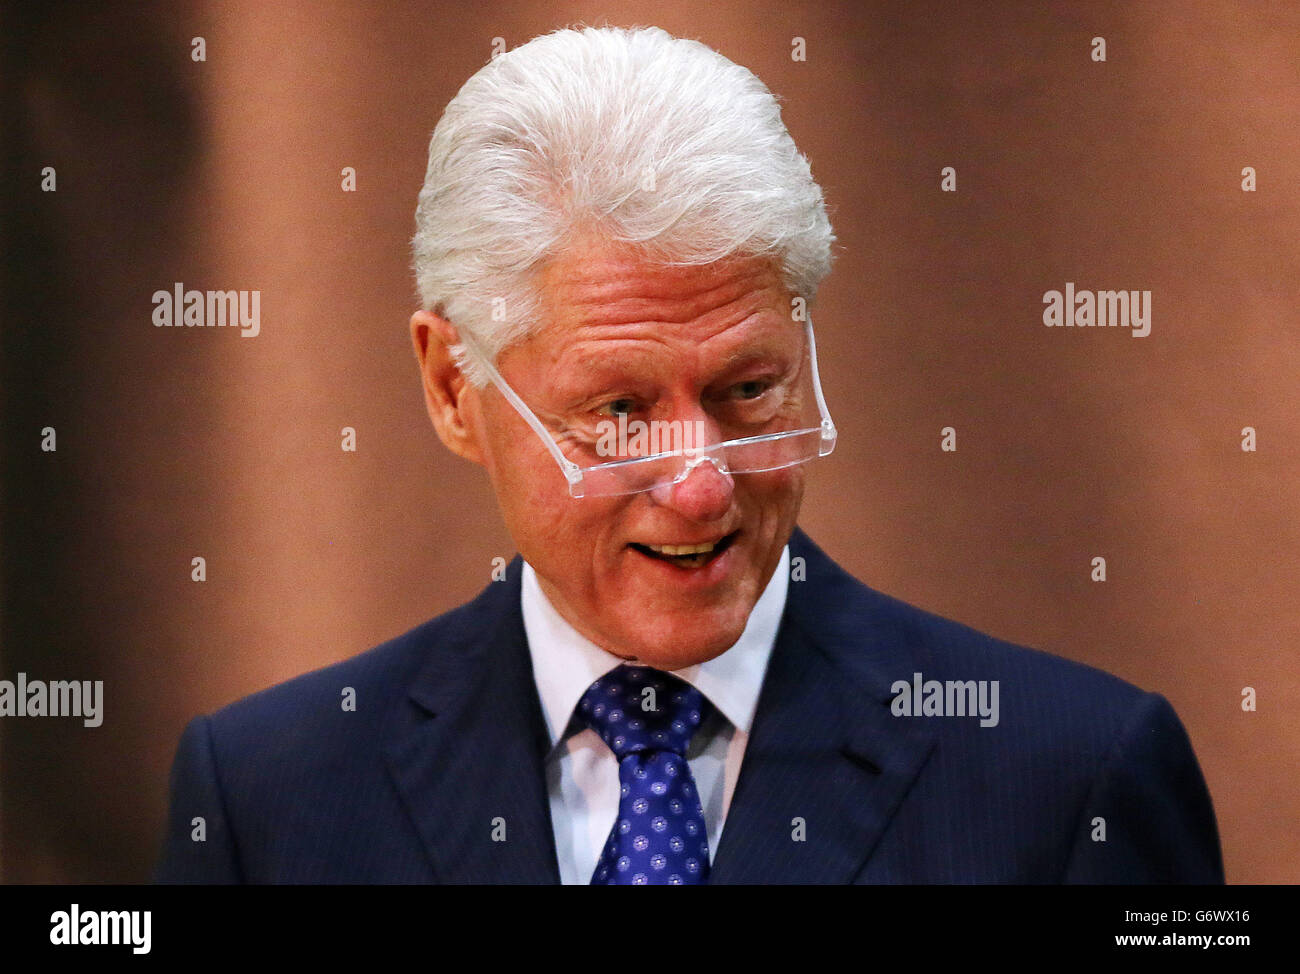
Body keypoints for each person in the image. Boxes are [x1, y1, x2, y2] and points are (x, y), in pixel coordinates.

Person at [156, 25, 1223, 884]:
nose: (704, 482)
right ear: (451, 387)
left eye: (747, 391)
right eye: (618, 410)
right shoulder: (270, 794)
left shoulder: (1071, 775)